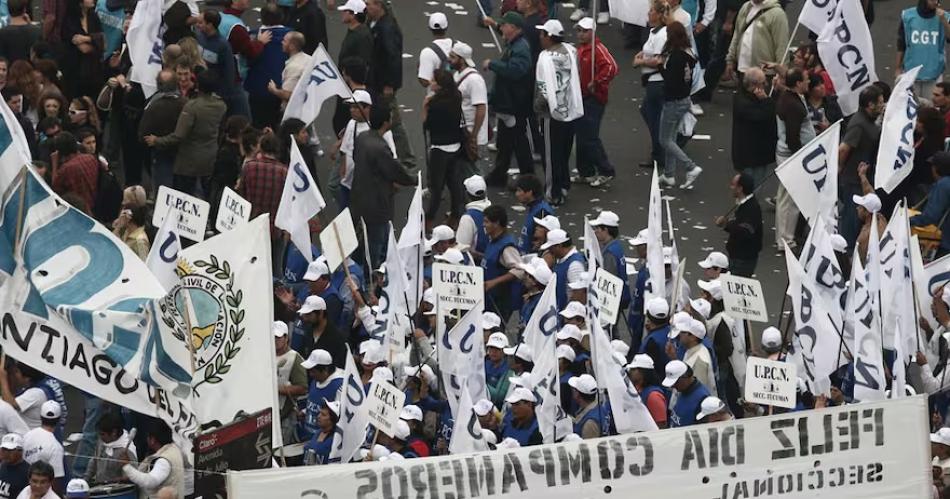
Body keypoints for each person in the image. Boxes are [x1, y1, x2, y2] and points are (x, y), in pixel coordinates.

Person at [349, 104, 415, 269]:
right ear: (386, 122)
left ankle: (356, 269)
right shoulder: (380, 147)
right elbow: (395, 171)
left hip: (359, 199)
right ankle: (370, 277)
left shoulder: (363, 138)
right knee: (375, 245)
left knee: (362, 240)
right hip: (377, 204)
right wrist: (414, 179)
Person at [145, 69, 227, 197]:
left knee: (183, 198)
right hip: (210, 158)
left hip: (188, 162)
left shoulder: (192, 107)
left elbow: (179, 135)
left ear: (198, 85)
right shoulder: (221, 106)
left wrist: (157, 140)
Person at [534, 20, 583, 206]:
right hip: (571, 110)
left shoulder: (544, 57)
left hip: (551, 113)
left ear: (549, 36)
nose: (540, 37)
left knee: (550, 154)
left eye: (542, 34)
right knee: (563, 151)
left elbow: (543, 87)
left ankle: (552, 192)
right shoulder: (572, 51)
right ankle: (563, 185)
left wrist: (538, 108)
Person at [483, 12, 535, 186]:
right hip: (510, 101)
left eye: (504, 25)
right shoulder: (516, 42)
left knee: (518, 141)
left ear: (513, 28)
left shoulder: (520, 49)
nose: (502, 27)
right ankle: (500, 174)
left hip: (514, 103)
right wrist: (495, 24)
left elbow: (515, 71)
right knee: (506, 142)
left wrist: (493, 64)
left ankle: (528, 176)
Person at [366, 0, 413, 168]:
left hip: (383, 84)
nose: (366, 7)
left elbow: (392, 58)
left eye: (369, 3)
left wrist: (389, 84)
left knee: (393, 121)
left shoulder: (386, 28)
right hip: (376, 81)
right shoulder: (376, 23)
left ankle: (407, 160)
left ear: (379, 6)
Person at [573, 17, 618, 187]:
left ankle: (606, 171)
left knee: (590, 137)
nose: (581, 34)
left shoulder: (598, 49)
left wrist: (596, 82)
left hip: (594, 99)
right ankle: (586, 172)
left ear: (593, 32)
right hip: (582, 97)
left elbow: (611, 67)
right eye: (579, 31)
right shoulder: (583, 49)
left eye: (585, 31)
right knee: (582, 136)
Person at [839, 85, 885, 249]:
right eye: (879, 102)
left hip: (861, 178)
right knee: (852, 220)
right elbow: (844, 149)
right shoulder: (859, 124)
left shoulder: (869, 122)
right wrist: (839, 168)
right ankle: (846, 252)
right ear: (870, 105)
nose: (882, 105)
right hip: (853, 181)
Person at [658, 22, 703, 190]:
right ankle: (669, 174)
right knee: (672, 138)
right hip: (684, 99)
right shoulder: (688, 53)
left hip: (673, 101)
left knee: (665, 139)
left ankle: (690, 167)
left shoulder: (676, 57)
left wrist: (659, 66)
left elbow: (670, 81)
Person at [773, 68, 812, 252]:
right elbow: (792, 136)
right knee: (789, 198)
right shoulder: (793, 105)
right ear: (798, 83)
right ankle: (785, 240)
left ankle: (784, 238)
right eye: (806, 79)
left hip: (787, 153)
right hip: (792, 155)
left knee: (786, 197)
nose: (808, 82)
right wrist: (800, 155)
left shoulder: (788, 98)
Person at [422, 69, 467, 225]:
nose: (431, 82)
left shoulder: (434, 104)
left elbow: (427, 125)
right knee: (454, 183)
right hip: (455, 145)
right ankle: (455, 215)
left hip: (439, 148)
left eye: (433, 81)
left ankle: (429, 218)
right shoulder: (456, 98)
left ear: (440, 86)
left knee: (436, 186)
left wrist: (425, 108)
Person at [634, 0, 670, 170]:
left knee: (654, 119)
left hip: (657, 83)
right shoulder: (653, 32)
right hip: (651, 82)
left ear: (658, 15)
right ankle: (661, 148)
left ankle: (659, 154)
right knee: (648, 113)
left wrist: (640, 62)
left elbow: (658, 60)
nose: (648, 14)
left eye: (651, 11)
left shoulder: (662, 34)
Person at [236, 132, 288, 248]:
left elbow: (241, 193)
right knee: (273, 263)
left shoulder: (249, 167)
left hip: (251, 224)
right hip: (274, 228)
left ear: (261, 147)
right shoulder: (284, 172)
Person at [139, 70, 185, 193]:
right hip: (183, 155)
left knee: (163, 194)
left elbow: (142, 134)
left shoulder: (154, 106)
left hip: (161, 154)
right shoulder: (186, 104)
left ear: (158, 85)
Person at [244, 4, 288, 129]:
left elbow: (248, 60)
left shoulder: (252, 36)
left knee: (259, 125)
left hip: (259, 89)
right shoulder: (291, 36)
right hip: (284, 89)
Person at [730, 67, 775, 189]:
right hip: (751, 155)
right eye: (763, 82)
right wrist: (766, 100)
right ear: (754, 85)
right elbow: (764, 116)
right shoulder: (744, 103)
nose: (766, 85)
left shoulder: (742, 97)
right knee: (752, 189)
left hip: (754, 154)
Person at [194, 10, 245, 117]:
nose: (198, 25)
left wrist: (223, 97)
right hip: (200, 89)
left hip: (216, 94)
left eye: (201, 23)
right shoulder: (199, 37)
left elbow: (229, 74)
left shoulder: (223, 46)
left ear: (210, 25)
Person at [724, 0, 788, 82]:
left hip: (764, 74)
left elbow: (781, 45)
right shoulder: (745, 7)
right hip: (742, 70)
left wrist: (782, 71)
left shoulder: (778, 14)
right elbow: (737, 35)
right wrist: (730, 60)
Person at [897, 0, 950, 97]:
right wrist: (898, 68)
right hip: (911, 73)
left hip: (934, 73)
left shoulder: (944, 17)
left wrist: (944, 21)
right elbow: (901, 43)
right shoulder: (908, 15)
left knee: (931, 108)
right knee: (912, 108)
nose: (935, 2)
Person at [450, 42, 489, 174]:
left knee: (475, 173)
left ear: (462, 60)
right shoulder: (457, 76)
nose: (449, 59)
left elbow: (481, 109)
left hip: (473, 136)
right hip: (462, 134)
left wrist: (473, 136)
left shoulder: (474, 80)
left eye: (453, 56)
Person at [121, 420, 185, 499]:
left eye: (148, 437)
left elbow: (150, 481)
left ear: (152, 440)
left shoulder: (163, 460)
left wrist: (126, 466)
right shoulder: (175, 449)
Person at [715, 172, 763, 276]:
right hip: (737, 256)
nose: (731, 187)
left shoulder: (751, 208)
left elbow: (745, 231)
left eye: (733, 184)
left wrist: (726, 224)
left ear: (740, 188)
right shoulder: (743, 204)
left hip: (743, 259)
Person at [0, 364, 66, 433]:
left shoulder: (36, 393)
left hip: (30, 438)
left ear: (27, 378)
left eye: (17, 372)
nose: (14, 374)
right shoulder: (42, 384)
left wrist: (3, 379)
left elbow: (9, 405)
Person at [482, 205, 521, 320]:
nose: (484, 225)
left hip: (499, 301)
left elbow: (519, 270)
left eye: (486, 222)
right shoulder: (493, 240)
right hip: (488, 298)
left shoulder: (507, 247)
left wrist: (494, 282)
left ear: (497, 223)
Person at [590, 210, 631, 318]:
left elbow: (607, 279)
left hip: (611, 302)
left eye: (598, 229)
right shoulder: (616, 247)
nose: (595, 232)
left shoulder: (609, 253)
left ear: (606, 230)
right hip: (620, 297)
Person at [274, 322, 308, 444]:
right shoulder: (266, 355)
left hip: (285, 415)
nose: (275, 340)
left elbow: (302, 388)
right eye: (272, 337)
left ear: (286, 338)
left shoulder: (294, 358)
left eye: (278, 337)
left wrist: (277, 389)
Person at [912, 152, 950, 259]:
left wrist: (909, 221)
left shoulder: (943, 185)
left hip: (945, 245)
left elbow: (931, 216)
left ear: (937, 168)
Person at [50, 132, 99, 214]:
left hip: (80, 210)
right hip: (97, 203)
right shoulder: (91, 158)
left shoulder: (65, 169)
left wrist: (54, 163)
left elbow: (54, 189)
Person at [83, 412, 136, 485]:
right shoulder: (102, 441)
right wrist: (85, 480)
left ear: (114, 432)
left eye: (102, 434)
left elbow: (131, 479)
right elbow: (94, 460)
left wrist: (110, 482)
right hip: (98, 487)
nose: (100, 437)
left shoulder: (127, 452)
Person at [21, 403, 63, 494]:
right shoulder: (55, 446)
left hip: (24, 486)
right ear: (59, 419)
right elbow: (56, 480)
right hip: (42, 492)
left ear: (41, 417)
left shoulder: (27, 435)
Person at [541, 229, 587, 311]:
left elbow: (578, 293)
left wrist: (567, 314)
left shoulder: (574, 265)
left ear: (559, 246)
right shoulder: (561, 259)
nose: (549, 251)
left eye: (551, 248)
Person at [663, 360, 711, 427]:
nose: (673, 386)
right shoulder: (682, 390)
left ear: (685, 376)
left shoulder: (702, 399)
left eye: (676, 382)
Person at [267, 31, 307, 110]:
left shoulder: (294, 67)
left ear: (292, 46)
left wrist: (274, 90)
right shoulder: (309, 59)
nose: (282, 42)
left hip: (292, 113)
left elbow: (288, 95)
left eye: (284, 41)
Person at [626, 355, 668, 428]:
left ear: (642, 372)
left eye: (633, 369)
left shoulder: (654, 396)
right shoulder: (637, 389)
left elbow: (661, 426)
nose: (630, 372)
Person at [514, 174, 554, 253]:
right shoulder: (534, 208)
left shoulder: (542, 212)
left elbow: (540, 244)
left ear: (529, 192)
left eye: (519, 190)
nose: (516, 194)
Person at [457, 175, 491, 259]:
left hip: (476, 266)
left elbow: (461, 248)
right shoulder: (493, 210)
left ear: (466, 194)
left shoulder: (468, 218)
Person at [417, 12, 453, 88]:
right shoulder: (459, 46)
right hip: (459, 95)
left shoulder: (427, 52)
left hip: (438, 97)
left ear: (429, 28)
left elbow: (424, 81)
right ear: (446, 27)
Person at [0, 0, 41, 64]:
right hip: (30, 72)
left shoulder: (2, 34)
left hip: (10, 72)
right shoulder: (36, 32)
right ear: (24, 9)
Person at [337, 0, 373, 66]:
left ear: (353, 15)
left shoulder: (362, 36)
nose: (342, 13)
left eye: (345, 11)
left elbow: (363, 63)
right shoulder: (355, 32)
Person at [303, 400, 339, 465]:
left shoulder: (335, 440)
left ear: (332, 419)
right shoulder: (318, 432)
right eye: (320, 413)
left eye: (323, 415)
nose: (319, 416)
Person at [568, 375, 603, 439]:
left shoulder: (590, 424)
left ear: (577, 394)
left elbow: (589, 447)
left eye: (574, 389)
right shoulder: (599, 407)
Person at [0, 434, 29, 499]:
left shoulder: (28, 472)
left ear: (20, 451)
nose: (6, 453)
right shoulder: (2, 465)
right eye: (4, 449)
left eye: (10, 450)